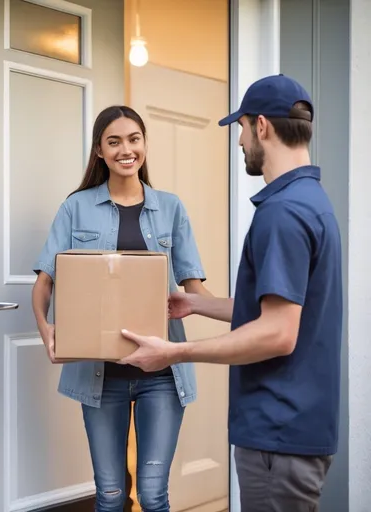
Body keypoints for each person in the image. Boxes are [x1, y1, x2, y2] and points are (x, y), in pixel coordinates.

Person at [119, 75, 343, 512]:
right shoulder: (311, 199)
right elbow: (279, 311)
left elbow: (278, 334)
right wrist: (198, 304)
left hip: (278, 434)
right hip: (297, 428)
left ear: (261, 126)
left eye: (239, 128)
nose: (239, 141)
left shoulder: (283, 213)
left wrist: (173, 353)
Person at [32, 105, 212, 512]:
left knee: (153, 495)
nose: (125, 149)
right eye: (114, 141)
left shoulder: (171, 208)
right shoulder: (75, 207)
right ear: (99, 151)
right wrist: (46, 328)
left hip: (162, 374)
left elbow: (195, 289)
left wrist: (241, 315)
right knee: (111, 496)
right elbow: (45, 283)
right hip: (101, 376)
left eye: (134, 139)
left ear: (144, 144)